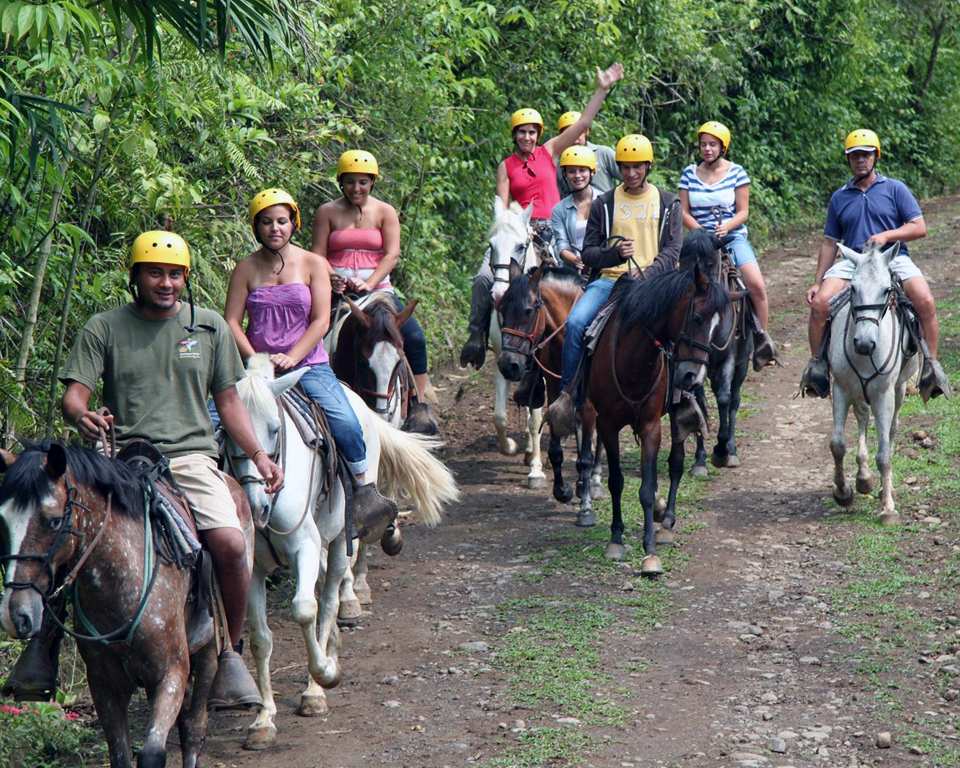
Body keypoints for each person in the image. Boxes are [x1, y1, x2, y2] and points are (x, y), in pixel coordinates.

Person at [4, 230, 276, 707]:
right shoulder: (104, 327)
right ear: (135, 277)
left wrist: (257, 454)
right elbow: (75, 395)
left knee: (231, 544)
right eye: (155, 273)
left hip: (190, 458)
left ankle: (229, 652)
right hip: (121, 458)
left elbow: (229, 402)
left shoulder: (209, 327)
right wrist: (81, 414)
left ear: (186, 278)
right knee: (62, 535)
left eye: (174, 274)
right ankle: (43, 648)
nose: (165, 282)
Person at [223, 187, 398, 540]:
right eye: (267, 222)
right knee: (215, 421)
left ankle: (363, 490)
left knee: (347, 421)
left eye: (282, 221)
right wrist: (254, 359)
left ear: (293, 224)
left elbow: (320, 320)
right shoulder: (245, 269)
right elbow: (231, 321)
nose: (275, 228)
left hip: (309, 363)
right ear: (256, 227)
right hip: (258, 369)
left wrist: (293, 355)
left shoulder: (313, 264)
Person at [459, 62, 625, 369]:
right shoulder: (506, 166)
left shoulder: (549, 151)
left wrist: (602, 89)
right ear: (515, 135)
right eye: (522, 132)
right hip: (519, 229)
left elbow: (583, 121)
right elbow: (503, 205)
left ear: (539, 134)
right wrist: (513, 226)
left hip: (553, 227)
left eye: (532, 132)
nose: (527, 138)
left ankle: (581, 342)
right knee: (484, 278)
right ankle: (476, 336)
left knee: (571, 278)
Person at [546, 134, 682, 437]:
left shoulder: (668, 201)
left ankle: (687, 397)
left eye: (637, 167)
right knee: (577, 322)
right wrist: (614, 254)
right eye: (625, 167)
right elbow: (588, 252)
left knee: (685, 326)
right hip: (609, 281)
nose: (631, 173)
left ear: (648, 166)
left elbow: (673, 249)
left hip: (655, 284)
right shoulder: (604, 203)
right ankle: (571, 395)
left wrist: (649, 273)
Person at [800, 129, 951, 401]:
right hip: (853, 261)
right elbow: (829, 242)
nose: (860, 160)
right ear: (848, 160)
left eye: (866, 155)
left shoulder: (895, 189)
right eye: (855, 156)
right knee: (820, 303)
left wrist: (887, 236)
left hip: (892, 258)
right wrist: (817, 279)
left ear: (875, 157)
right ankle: (818, 365)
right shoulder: (839, 197)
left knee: (925, 301)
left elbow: (919, 227)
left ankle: (931, 367)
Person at [311, 150, 437, 431]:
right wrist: (333, 278)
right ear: (341, 182)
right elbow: (317, 254)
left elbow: (391, 254)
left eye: (363, 182)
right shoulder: (327, 212)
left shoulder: (385, 212)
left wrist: (369, 283)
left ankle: (418, 404)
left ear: (372, 183)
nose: (357, 188)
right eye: (351, 182)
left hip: (378, 289)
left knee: (413, 335)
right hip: (339, 292)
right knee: (315, 334)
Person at [678, 120, 777, 370]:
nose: (707, 149)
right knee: (678, 286)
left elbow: (743, 211)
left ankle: (761, 338)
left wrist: (728, 226)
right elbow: (683, 211)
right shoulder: (689, 173)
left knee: (756, 284)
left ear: (723, 147)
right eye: (703, 145)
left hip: (731, 237)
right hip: (699, 241)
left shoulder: (737, 172)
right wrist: (699, 229)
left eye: (712, 145)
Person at [550, 145, 601, 274]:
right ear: (565, 175)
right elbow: (561, 245)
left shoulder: (605, 200)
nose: (577, 175)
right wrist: (576, 260)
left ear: (592, 172)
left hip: (603, 266)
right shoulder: (559, 210)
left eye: (582, 170)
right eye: (572, 171)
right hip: (573, 270)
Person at [555, 110, 620, 196]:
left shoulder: (603, 154)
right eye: (569, 134)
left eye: (578, 133)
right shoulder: (559, 163)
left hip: (604, 206)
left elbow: (630, 177)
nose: (574, 138)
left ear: (586, 131)